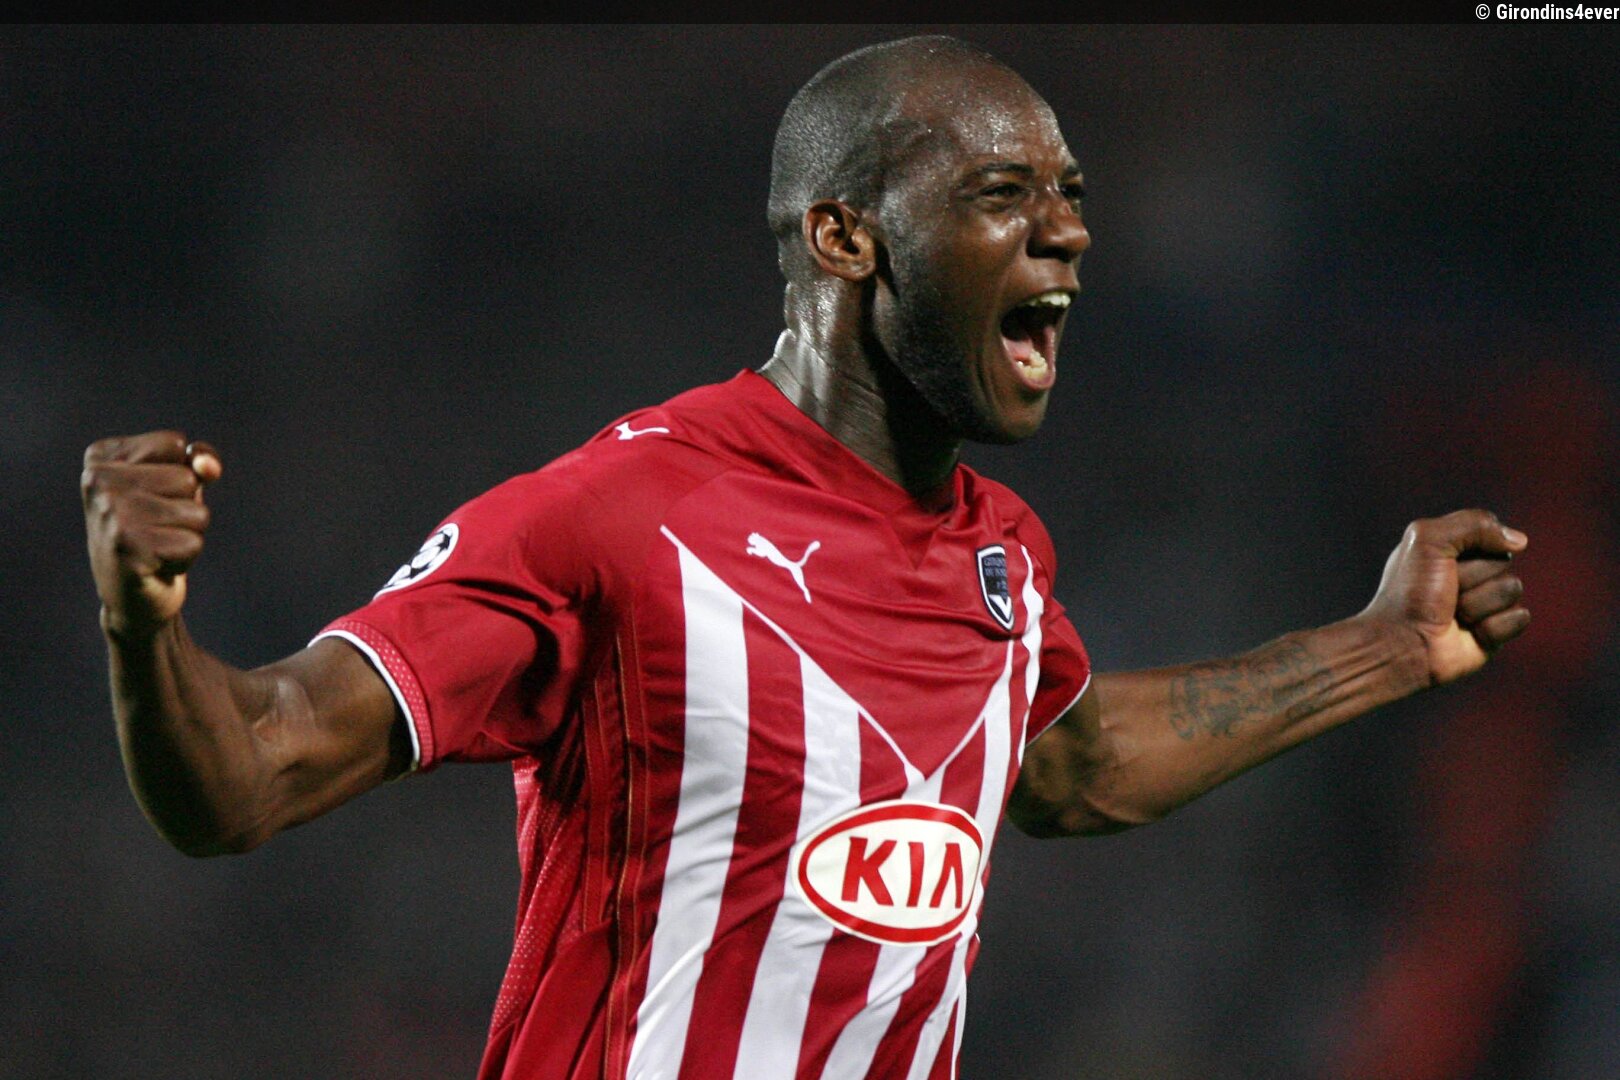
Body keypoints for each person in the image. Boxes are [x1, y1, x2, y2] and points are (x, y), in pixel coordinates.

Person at [78, 36, 1530, 1080]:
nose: (1069, 232)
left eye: (1072, 193)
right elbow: (246, 775)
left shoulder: (999, 555)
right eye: (1003, 193)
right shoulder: (620, 517)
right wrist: (145, 624)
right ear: (844, 237)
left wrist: (1384, 647)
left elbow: (1079, 766)